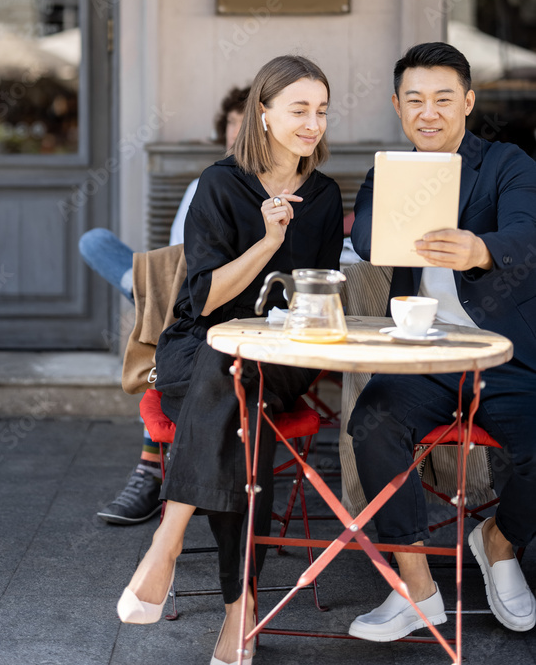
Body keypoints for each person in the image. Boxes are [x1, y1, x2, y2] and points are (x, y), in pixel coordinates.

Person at [116, 54, 343, 665]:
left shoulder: (323, 196)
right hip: (201, 344)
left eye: (321, 111)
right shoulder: (221, 184)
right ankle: (239, 615)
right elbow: (207, 296)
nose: (312, 123)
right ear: (262, 114)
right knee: (235, 391)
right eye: (299, 110)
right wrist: (268, 242)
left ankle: (166, 541)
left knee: (238, 376)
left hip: (285, 352)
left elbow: (317, 292)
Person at [348, 41, 536, 641]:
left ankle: (500, 543)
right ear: (399, 109)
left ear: (468, 102)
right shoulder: (388, 170)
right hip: (424, 352)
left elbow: (530, 232)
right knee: (371, 424)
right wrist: (410, 193)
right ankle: (415, 589)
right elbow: (372, 239)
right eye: (415, 101)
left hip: (500, 352)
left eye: (443, 99)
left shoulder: (508, 163)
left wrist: (482, 249)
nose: (429, 113)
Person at [82, 86, 249, 525]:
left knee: (162, 327)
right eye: (232, 122)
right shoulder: (204, 184)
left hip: (232, 311)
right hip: (182, 295)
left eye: (246, 121)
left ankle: (149, 469)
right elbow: (180, 258)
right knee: (95, 242)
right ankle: (144, 297)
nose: (237, 130)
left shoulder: (280, 188)